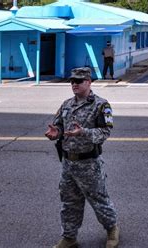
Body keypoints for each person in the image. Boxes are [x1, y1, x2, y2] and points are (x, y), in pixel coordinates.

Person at [45, 67, 119, 248]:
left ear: (89, 82)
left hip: (89, 164)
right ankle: (69, 237)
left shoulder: (101, 105)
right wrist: (56, 133)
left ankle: (112, 229)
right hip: (69, 163)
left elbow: (104, 132)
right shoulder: (67, 104)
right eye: (72, 81)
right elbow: (59, 127)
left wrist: (83, 132)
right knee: (69, 203)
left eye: (78, 81)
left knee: (99, 200)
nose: (74, 84)